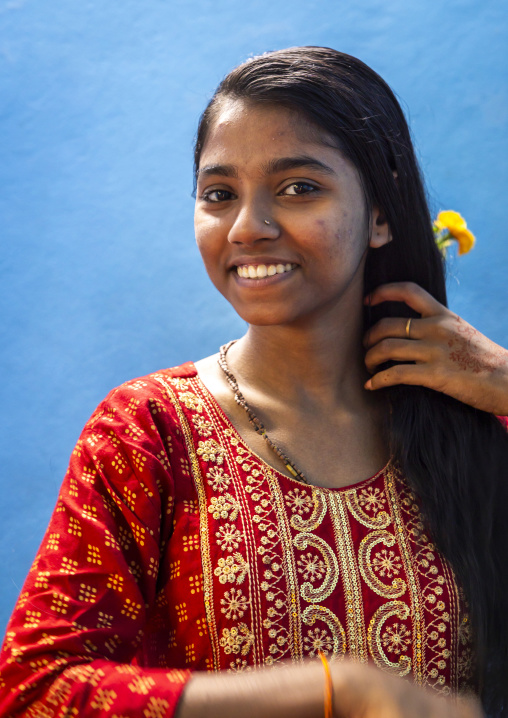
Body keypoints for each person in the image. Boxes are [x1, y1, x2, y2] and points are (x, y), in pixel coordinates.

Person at [1, 46, 507, 718]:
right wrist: (336, 690)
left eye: (299, 187)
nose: (249, 228)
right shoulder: (145, 434)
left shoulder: (471, 426)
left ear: (382, 214)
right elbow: (37, 688)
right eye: (219, 195)